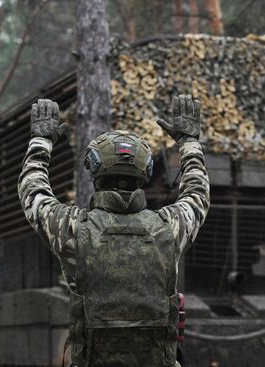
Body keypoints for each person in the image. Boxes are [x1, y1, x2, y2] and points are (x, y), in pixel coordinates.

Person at [18, 94, 210, 367]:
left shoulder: (73, 230)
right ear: (145, 174)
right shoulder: (169, 228)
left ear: (95, 176)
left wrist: (41, 142)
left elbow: (32, 192)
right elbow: (198, 194)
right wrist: (189, 143)